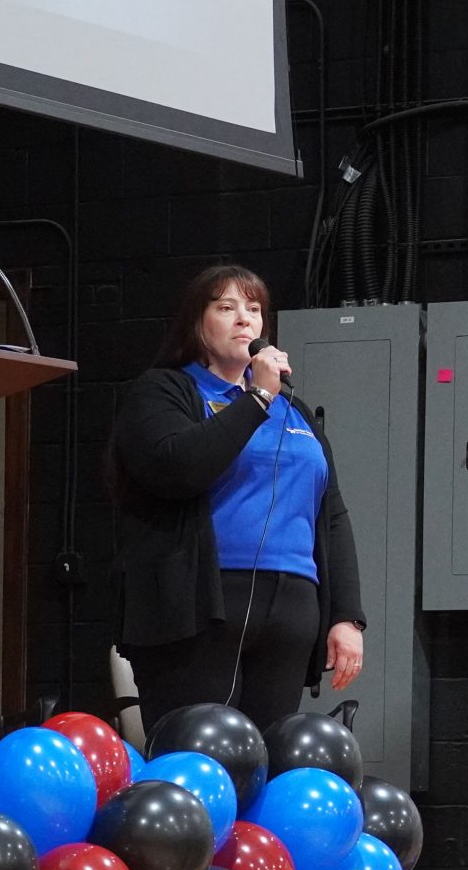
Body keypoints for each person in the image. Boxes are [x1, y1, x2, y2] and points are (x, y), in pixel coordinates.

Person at [107, 264, 366, 729]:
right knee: (200, 754)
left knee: (265, 762)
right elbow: (180, 468)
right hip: (200, 606)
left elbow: (332, 514)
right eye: (226, 308)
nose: (244, 319)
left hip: (291, 610)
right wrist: (256, 399)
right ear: (196, 323)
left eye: (253, 309)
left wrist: (346, 617)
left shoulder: (297, 411)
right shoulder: (165, 390)